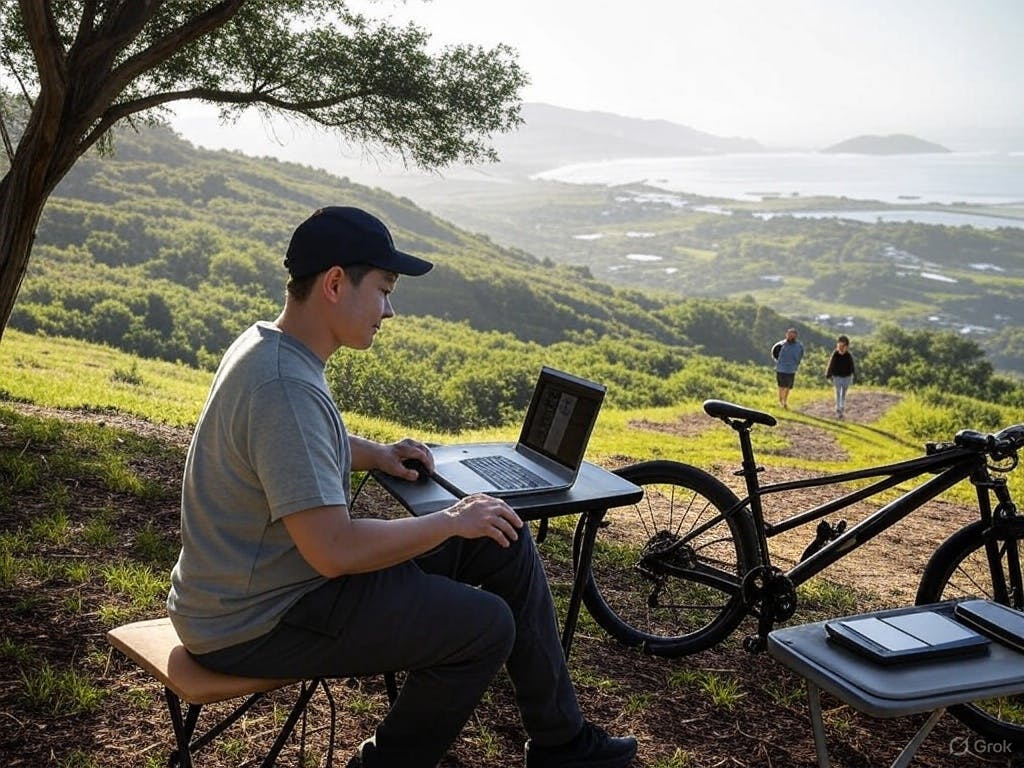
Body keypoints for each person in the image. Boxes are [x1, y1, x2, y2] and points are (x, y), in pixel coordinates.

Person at [165, 206, 637, 768]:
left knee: (501, 539)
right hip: (259, 619)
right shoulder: (286, 388)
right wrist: (449, 520)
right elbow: (334, 550)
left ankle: (562, 744)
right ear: (336, 283)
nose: (390, 310)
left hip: (257, 591)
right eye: (386, 290)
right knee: (485, 627)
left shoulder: (268, 347)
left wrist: (378, 454)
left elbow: (302, 445)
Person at [771, 327, 804, 410]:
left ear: (795, 336)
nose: (790, 337)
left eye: (792, 335)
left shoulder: (799, 346)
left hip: (791, 370)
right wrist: (778, 363)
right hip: (781, 369)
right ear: (786, 335)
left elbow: (800, 356)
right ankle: (781, 401)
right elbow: (774, 353)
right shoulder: (780, 345)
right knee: (781, 386)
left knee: (788, 386)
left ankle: (784, 401)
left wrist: (796, 364)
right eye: (789, 335)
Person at [825, 334, 856, 419]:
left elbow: (852, 366)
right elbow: (831, 363)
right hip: (837, 376)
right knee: (838, 392)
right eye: (840, 345)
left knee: (843, 393)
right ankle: (838, 408)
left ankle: (842, 406)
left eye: (844, 345)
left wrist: (853, 375)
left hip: (847, 377)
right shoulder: (835, 354)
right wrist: (828, 373)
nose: (842, 347)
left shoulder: (848, 355)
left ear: (847, 346)